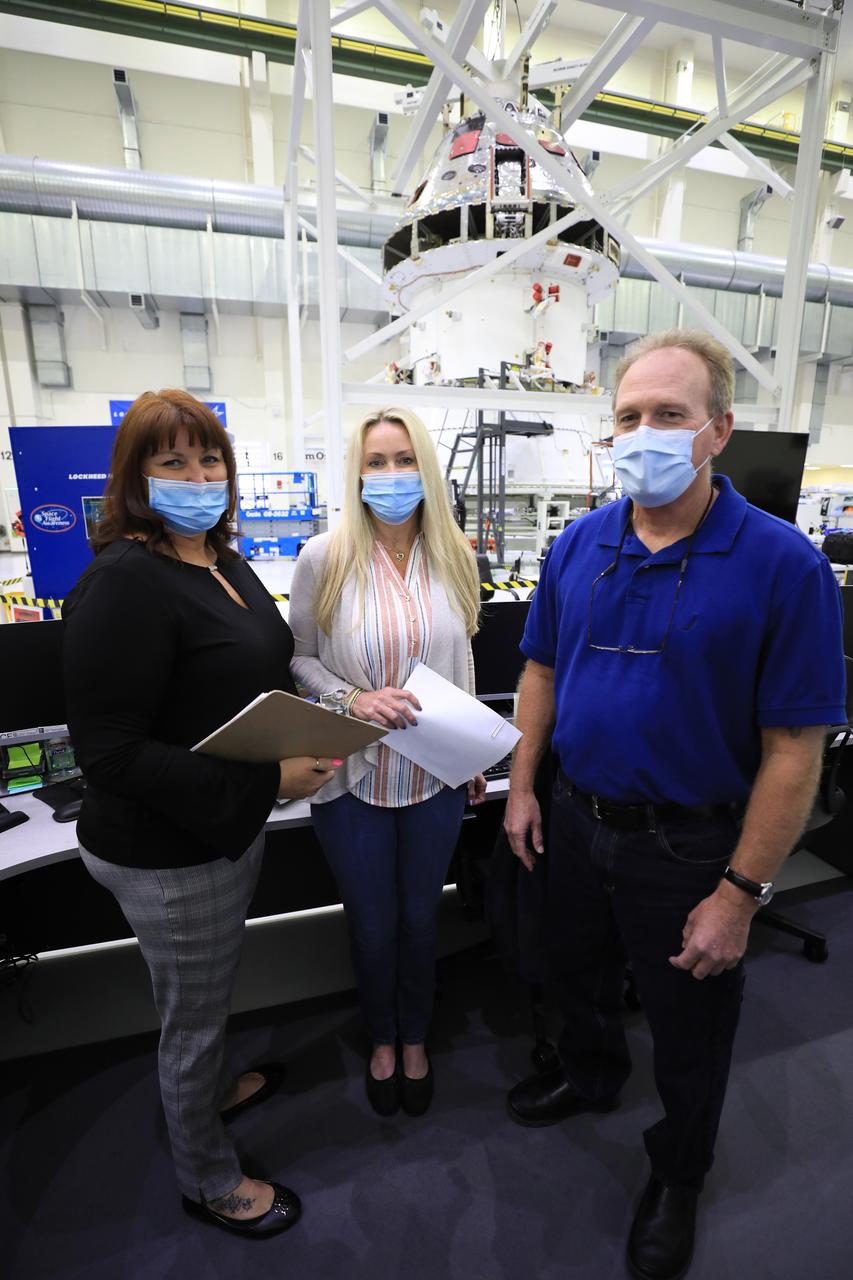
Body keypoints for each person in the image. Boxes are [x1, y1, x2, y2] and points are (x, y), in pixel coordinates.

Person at [502, 330, 846, 1280]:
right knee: (573, 976)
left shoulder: (782, 567)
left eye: (668, 415)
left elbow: (793, 750)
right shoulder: (581, 543)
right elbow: (538, 669)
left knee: (691, 1029)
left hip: (688, 847)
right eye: (626, 416)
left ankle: (678, 1172)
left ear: (717, 431)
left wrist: (739, 894)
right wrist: (524, 787)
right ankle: (588, 1072)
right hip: (574, 821)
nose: (642, 433)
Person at [62, 390, 339, 1238]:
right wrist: (266, 785)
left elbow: (251, 667)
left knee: (207, 991)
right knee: (192, 1017)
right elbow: (108, 754)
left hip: (218, 830)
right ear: (135, 478)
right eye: (172, 461)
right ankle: (209, 1179)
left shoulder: (216, 556)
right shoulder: (124, 581)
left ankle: (215, 1093)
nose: (198, 475)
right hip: (167, 848)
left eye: (209, 458)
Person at [288, 406, 486, 1117]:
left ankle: (415, 1036)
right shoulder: (324, 556)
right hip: (353, 776)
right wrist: (351, 700)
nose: (391, 475)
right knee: (372, 924)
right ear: (356, 471)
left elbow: (460, 656)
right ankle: (382, 1037)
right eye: (376, 462)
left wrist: (471, 756)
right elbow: (299, 657)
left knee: (421, 920)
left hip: (433, 774)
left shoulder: (453, 554)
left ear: (425, 468)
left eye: (404, 460)